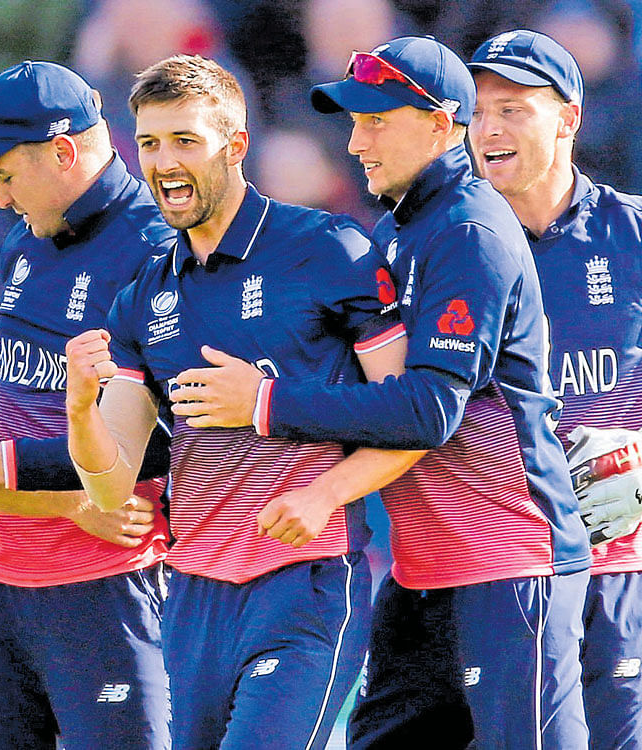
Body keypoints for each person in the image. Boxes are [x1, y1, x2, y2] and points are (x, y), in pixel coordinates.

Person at [152, 37, 593, 747]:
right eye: (354, 122)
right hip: (423, 569)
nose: (356, 142)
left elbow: (430, 411)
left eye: (377, 121)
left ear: (442, 125)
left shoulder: (470, 231)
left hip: (511, 561)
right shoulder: (400, 227)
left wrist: (263, 404)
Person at [64, 53, 407, 749]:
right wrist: (80, 410)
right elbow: (110, 485)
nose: (163, 162)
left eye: (186, 140)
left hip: (305, 583)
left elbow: (411, 415)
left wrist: (319, 492)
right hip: (190, 597)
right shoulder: (144, 296)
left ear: (236, 146)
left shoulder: (330, 250)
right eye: (151, 142)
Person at [0, 61, 175, 749]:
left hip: (106, 586)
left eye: (4, 176)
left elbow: (172, 434)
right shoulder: (25, 240)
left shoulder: (158, 249)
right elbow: (20, 402)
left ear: (64, 152)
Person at [468, 29, 642, 748]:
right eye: (478, 112)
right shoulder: (445, 245)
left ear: (568, 117)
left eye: (513, 108)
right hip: (494, 567)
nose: (490, 129)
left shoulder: (631, 235)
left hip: (617, 564)